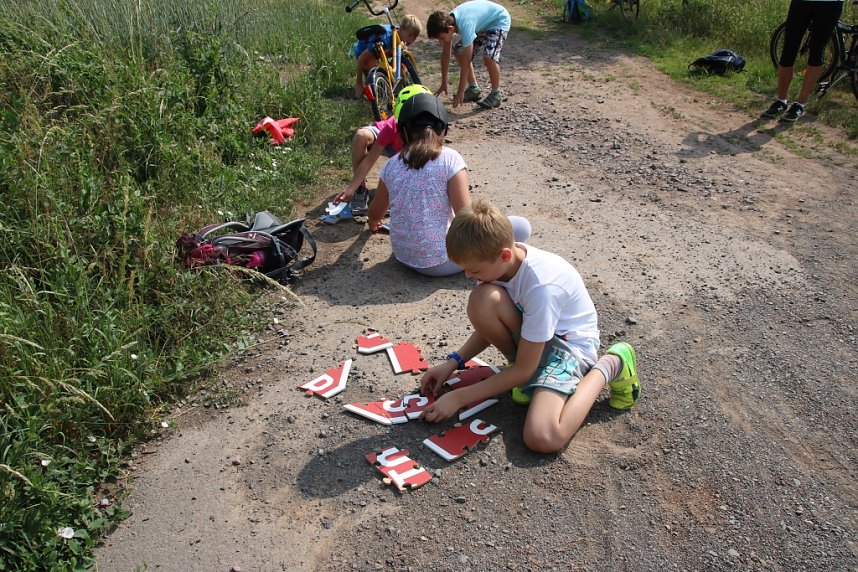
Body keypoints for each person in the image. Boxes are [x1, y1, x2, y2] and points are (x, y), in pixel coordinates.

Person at [418, 199, 641, 453]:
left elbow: (525, 368)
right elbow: (489, 324)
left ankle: (611, 364)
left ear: (504, 255)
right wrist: (453, 361)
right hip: (536, 339)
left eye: (474, 270)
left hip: (570, 350)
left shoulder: (541, 286)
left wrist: (459, 397)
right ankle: (530, 377)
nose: (468, 276)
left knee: (542, 437)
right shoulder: (502, 265)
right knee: (482, 299)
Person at [365, 95, 530, 276]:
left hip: (403, 257)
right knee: (521, 226)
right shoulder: (450, 159)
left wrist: (374, 223)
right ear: (443, 130)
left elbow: (374, 214)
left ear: (403, 131)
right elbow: (466, 217)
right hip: (440, 262)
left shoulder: (391, 165)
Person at [329, 85, 433, 223]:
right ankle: (361, 190)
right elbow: (370, 159)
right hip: (388, 143)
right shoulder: (391, 127)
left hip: (407, 151)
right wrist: (351, 188)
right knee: (361, 136)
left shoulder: (434, 131)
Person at [763, 0, 845, 122]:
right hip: (802, 2)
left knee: (816, 53)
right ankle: (781, 100)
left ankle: (800, 104)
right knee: (788, 51)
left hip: (830, 3)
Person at [426, 0, 511, 109]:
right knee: (458, 51)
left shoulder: (465, 24)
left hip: (498, 20)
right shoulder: (449, 23)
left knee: (489, 57)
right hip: (483, 25)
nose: (441, 42)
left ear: (450, 29)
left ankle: (496, 93)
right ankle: (474, 89)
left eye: (442, 38)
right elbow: (446, 55)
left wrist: (460, 91)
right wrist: (444, 82)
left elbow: (466, 61)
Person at [353, 15, 423, 99]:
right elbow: (361, 58)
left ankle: (395, 82)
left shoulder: (400, 34)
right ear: (401, 29)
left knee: (397, 64)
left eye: (415, 37)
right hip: (364, 53)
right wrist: (359, 83)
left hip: (382, 54)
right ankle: (373, 81)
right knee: (380, 83)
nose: (412, 40)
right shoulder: (385, 38)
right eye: (410, 35)